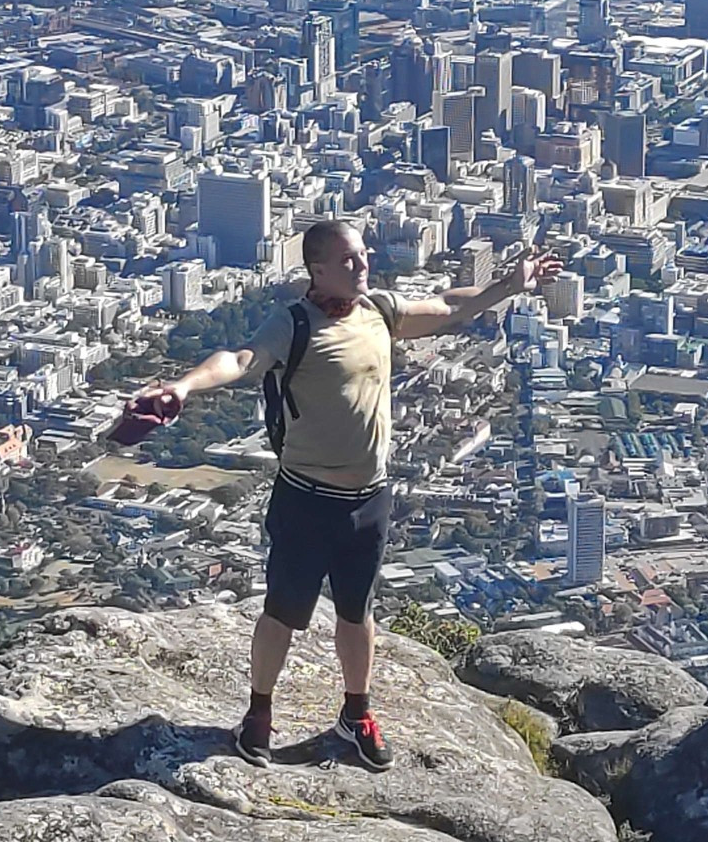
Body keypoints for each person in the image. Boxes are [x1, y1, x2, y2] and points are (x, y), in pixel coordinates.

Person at [131, 219, 561, 771]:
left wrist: (510, 283)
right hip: (306, 497)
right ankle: (258, 714)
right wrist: (183, 387)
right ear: (317, 270)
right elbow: (239, 360)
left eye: (363, 255)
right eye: (350, 260)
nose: (363, 264)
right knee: (283, 612)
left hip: (368, 498)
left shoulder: (379, 311)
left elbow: (450, 306)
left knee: (357, 615)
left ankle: (356, 713)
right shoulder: (293, 325)